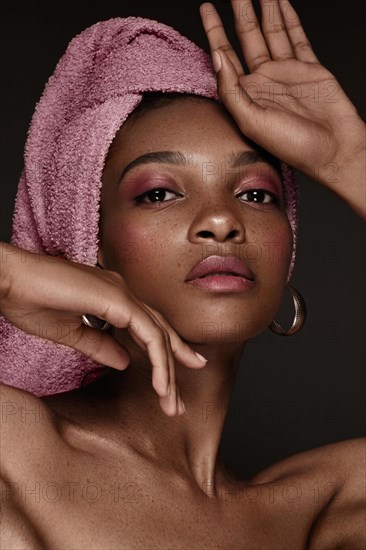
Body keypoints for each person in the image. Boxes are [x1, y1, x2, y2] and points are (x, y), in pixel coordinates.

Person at [0, 1, 365, 548]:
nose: (222, 219)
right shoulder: (15, 449)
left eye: (256, 194)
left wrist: (353, 162)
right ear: (88, 237)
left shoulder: (323, 512)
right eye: (159, 193)